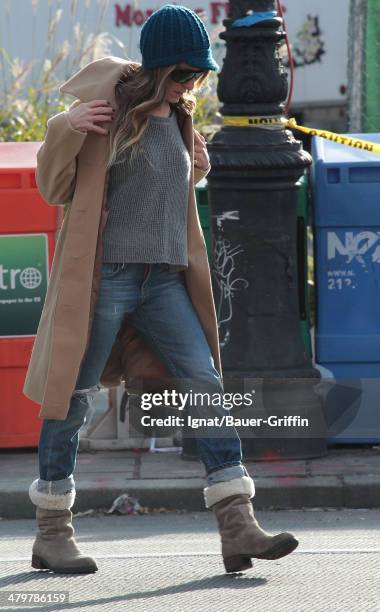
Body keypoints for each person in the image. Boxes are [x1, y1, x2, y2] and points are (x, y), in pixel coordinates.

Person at [25, 4, 298, 575]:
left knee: (204, 386)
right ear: (158, 68)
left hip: (163, 280)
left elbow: (156, 196)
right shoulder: (106, 112)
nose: (191, 85)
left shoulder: (179, 116)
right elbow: (54, 188)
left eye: (197, 76)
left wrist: (192, 170)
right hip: (110, 279)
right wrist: (62, 130)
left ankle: (236, 523)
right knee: (72, 398)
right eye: (182, 75)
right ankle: (53, 529)